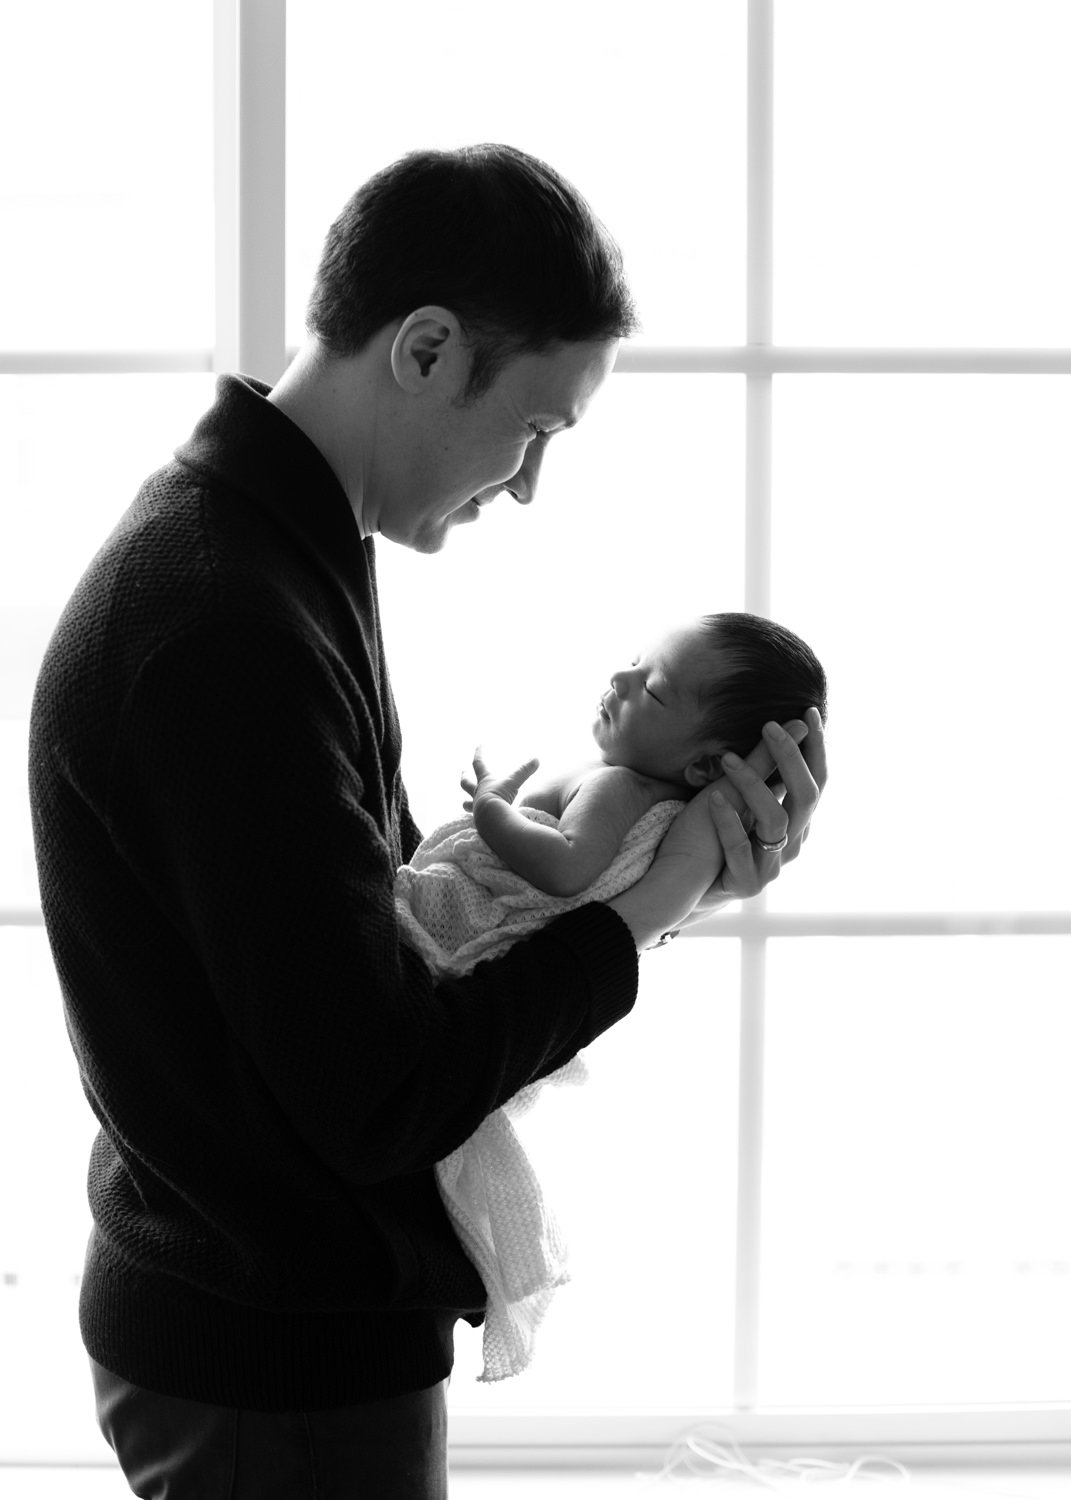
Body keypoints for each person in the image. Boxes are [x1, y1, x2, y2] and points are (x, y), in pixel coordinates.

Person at [28, 144, 826, 1499]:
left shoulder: (283, 548)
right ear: (426, 349)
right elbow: (380, 1087)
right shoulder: (225, 624)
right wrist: (640, 910)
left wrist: (656, 870)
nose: (523, 486)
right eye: (534, 430)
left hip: (265, 1315)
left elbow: (380, 939)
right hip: (265, 1359)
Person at [396, 611, 826, 1384]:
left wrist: (491, 810)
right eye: (634, 665)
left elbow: (566, 870)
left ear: (703, 766)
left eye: (654, 691)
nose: (621, 681)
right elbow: (631, 900)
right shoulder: (677, 824)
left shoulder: (616, 785)